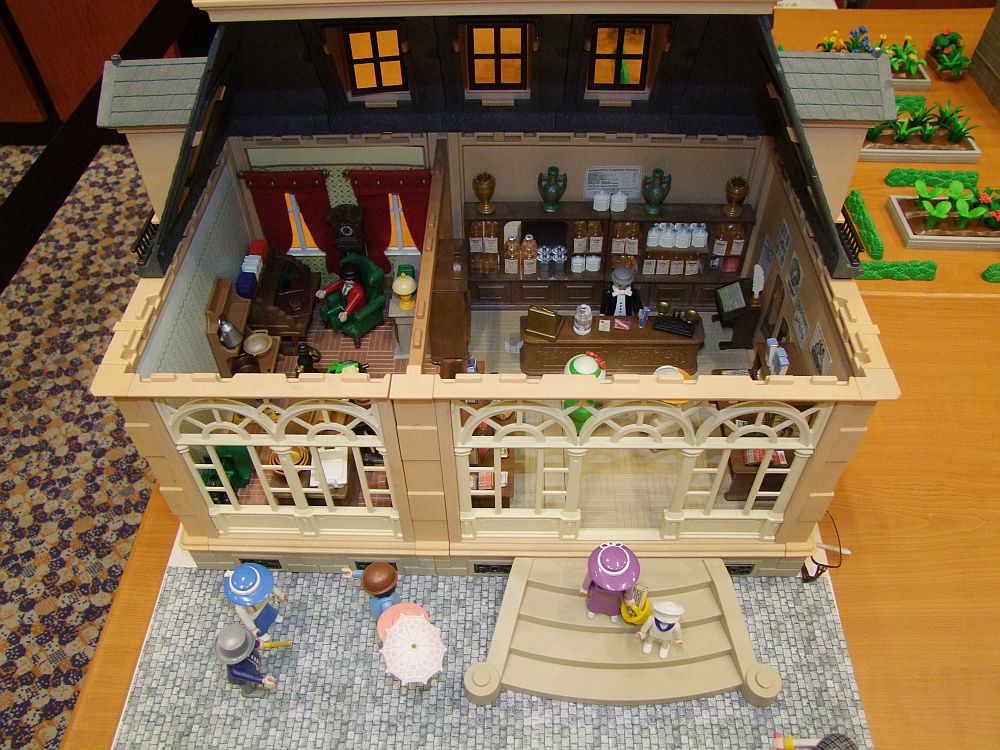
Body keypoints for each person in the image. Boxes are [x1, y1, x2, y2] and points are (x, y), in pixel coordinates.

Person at [223, 563, 288, 641]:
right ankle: (262, 634)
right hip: (255, 615)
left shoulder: (262, 584)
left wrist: (279, 594)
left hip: (265, 605)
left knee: (271, 612)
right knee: (260, 626)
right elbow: (246, 619)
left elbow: (270, 587)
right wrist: (253, 628)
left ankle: (274, 617)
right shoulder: (240, 607)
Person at [579, 542, 640, 622]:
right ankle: (592, 610)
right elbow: (589, 578)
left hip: (614, 596)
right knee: (594, 603)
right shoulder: (595, 572)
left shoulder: (626, 579)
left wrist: (629, 598)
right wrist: (584, 587)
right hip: (598, 592)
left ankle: (613, 613)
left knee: (613, 607)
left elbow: (629, 587)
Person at [214, 623, 277, 697]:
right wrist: (262, 680)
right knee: (247, 684)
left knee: (256, 667)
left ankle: (257, 669)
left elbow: (251, 643)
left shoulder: (245, 645)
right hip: (244, 680)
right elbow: (249, 676)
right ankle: (248, 692)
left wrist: (257, 642)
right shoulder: (234, 671)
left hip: (254, 664)